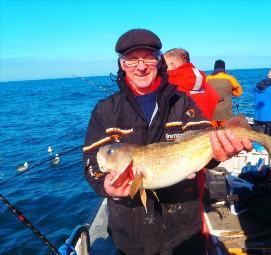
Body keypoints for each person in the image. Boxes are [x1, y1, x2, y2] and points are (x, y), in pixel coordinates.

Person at [83, 28, 252, 255]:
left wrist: (218, 155)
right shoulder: (105, 111)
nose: (141, 67)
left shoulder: (183, 103)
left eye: (149, 58)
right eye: (132, 60)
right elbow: (91, 164)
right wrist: (106, 185)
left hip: (183, 230)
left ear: (159, 60)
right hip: (131, 236)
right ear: (122, 65)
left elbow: (204, 149)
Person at [164, 48, 221, 120]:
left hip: (180, 127)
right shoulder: (204, 83)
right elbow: (216, 101)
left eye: (164, 65)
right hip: (205, 125)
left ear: (172, 65)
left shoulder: (169, 82)